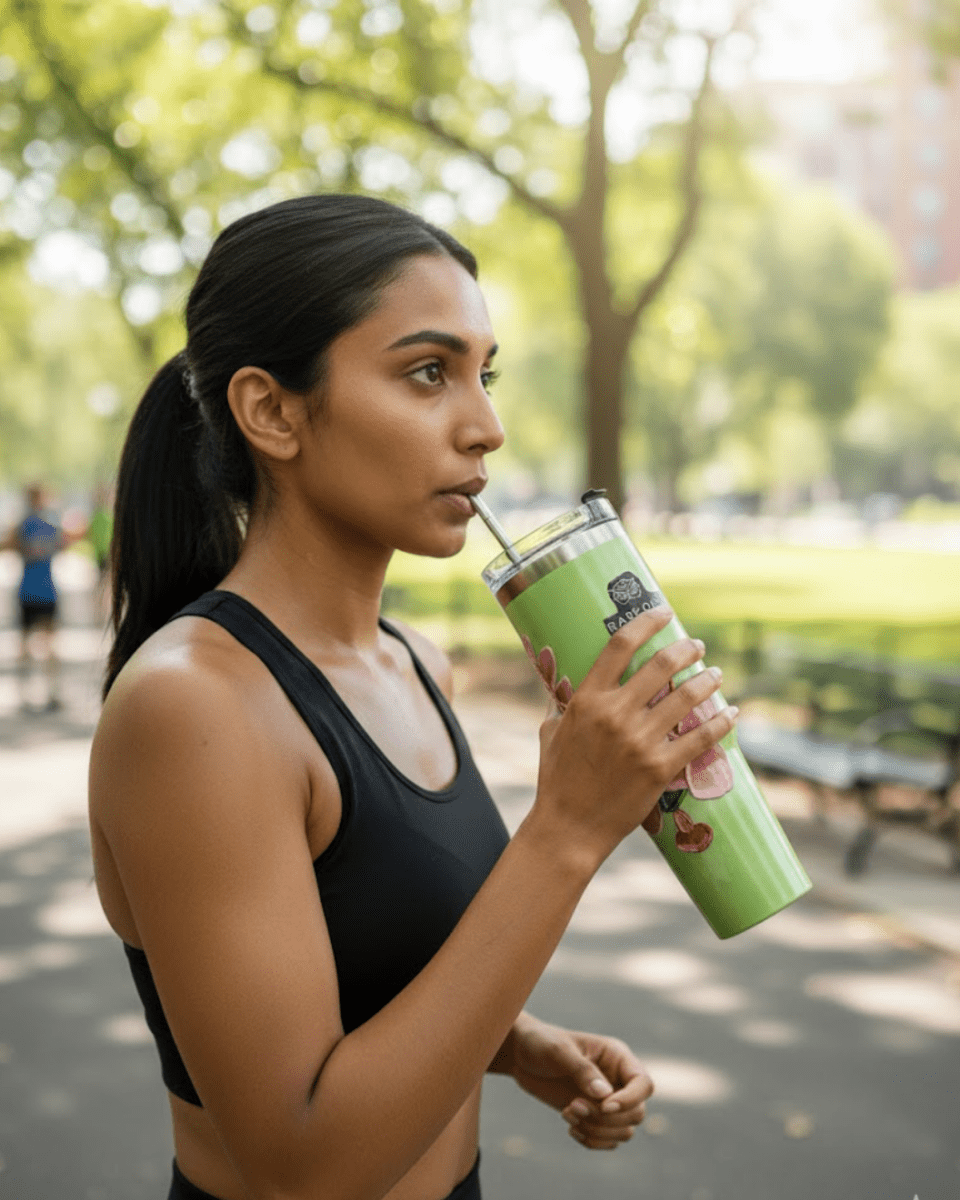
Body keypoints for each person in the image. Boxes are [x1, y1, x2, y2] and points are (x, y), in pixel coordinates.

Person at [88, 194, 737, 1200]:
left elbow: (359, 961)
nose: (488, 427)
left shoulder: (413, 661)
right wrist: (566, 829)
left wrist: (512, 1044)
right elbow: (302, 1167)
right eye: (428, 373)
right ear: (271, 412)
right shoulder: (194, 707)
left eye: (485, 374)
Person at [2, 483, 66, 712]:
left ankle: (25, 694)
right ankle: (51, 692)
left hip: (29, 591)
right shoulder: (51, 524)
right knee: (48, 645)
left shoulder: (21, 525)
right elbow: (63, 545)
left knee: (27, 644)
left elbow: (7, 546)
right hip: (46, 590)